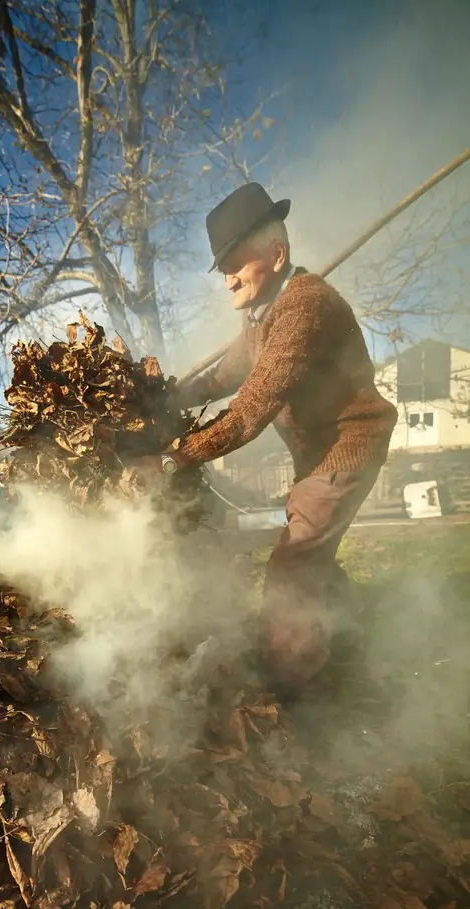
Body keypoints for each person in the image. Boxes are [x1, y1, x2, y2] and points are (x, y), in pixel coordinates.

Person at [138, 182, 398, 697]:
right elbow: (224, 376)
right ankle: (348, 640)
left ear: (276, 255)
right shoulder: (261, 318)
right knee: (313, 555)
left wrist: (173, 460)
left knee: (294, 563)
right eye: (223, 268)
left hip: (346, 449)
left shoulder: (305, 307)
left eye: (237, 262)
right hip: (315, 455)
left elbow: (251, 408)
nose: (228, 279)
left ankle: (292, 691)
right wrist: (164, 399)